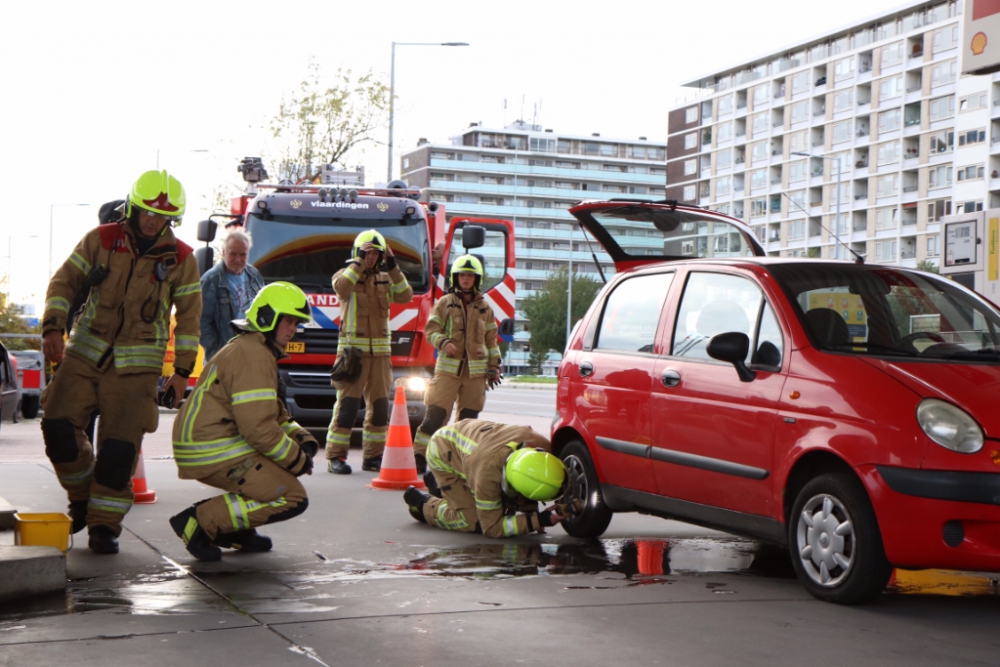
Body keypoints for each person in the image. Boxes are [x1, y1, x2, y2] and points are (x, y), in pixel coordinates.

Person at [40, 170, 201, 555]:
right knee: (58, 429)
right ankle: (82, 498)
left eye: (161, 216)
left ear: (171, 220)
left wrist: (181, 372)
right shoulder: (101, 240)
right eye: (146, 211)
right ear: (132, 207)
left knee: (118, 453)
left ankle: (103, 527)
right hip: (83, 353)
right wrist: (52, 328)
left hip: (137, 370)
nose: (152, 220)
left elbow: (191, 317)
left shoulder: (181, 258)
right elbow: (63, 283)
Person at [169, 282, 318, 562]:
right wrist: (297, 460)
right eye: (288, 321)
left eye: (296, 323)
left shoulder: (253, 348)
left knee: (279, 471)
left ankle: (234, 529)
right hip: (212, 446)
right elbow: (259, 430)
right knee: (292, 496)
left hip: (210, 440)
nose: (293, 329)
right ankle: (200, 523)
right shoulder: (255, 357)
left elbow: (270, 411)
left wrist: (300, 438)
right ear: (267, 318)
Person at [325, 230, 413, 474]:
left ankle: (373, 457)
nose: (372, 257)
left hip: (381, 357)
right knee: (347, 407)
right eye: (368, 252)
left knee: (379, 408)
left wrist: (394, 267)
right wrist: (359, 261)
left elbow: (406, 296)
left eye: (376, 253)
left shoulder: (386, 279)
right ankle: (335, 456)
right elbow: (342, 289)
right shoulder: (345, 275)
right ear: (358, 252)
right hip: (353, 355)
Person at [412, 254, 502, 473]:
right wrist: (443, 342)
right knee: (435, 417)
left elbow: (492, 341)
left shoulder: (485, 309)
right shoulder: (445, 303)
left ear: (476, 279)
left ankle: (458, 463)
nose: (466, 279)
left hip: (476, 376)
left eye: (470, 275)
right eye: (462, 275)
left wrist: (495, 366)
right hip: (447, 373)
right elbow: (431, 330)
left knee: (468, 423)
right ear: (455, 277)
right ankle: (419, 458)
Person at [403, 419, 566, 538]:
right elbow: (492, 528)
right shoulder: (487, 477)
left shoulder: (542, 449)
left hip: (467, 447)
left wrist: (530, 511)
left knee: (501, 504)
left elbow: (529, 477)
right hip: (441, 453)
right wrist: (540, 520)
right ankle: (422, 505)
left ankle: (440, 485)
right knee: (471, 521)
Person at [199, 229, 265, 361]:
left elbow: (264, 309)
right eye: (233, 254)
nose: (238, 259)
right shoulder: (210, 281)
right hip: (223, 356)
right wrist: (217, 351)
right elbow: (200, 323)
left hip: (251, 354)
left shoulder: (254, 274)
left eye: (243, 254)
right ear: (223, 252)